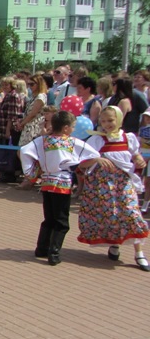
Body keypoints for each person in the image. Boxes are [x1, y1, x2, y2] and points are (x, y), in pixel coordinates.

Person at [19, 111, 113, 266]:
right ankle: (54, 253)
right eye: (73, 126)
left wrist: (31, 171)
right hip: (62, 183)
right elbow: (88, 156)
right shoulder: (71, 142)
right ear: (65, 128)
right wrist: (96, 159)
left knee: (49, 218)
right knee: (62, 222)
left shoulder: (43, 140)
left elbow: (24, 151)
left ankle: (41, 248)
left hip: (47, 182)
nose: (74, 129)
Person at [77, 106, 149, 270]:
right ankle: (114, 244)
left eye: (110, 120)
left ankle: (139, 253)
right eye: (103, 121)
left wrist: (139, 160)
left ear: (119, 119)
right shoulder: (96, 140)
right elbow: (82, 162)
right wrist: (96, 160)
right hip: (102, 184)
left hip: (123, 182)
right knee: (112, 215)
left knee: (132, 213)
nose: (107, 124)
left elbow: (135, 155)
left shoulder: (128, 138)